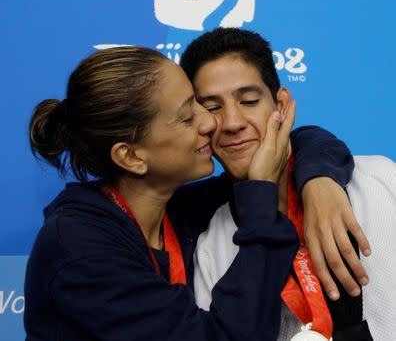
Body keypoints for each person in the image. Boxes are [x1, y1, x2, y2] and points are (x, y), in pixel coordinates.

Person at [25, 45, 357, 341]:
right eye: (188, 116)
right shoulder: (81, 251)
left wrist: (318, 181)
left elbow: (301, 142)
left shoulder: (171, 208)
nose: (212, 124)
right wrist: (262, 195)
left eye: (200, 105)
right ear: (131, 156)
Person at [181, 28, 396, 340]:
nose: (232, 123)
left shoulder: (380, 180)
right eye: (212, 107)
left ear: (281, 104)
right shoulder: (207, 239)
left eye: (249, 100)